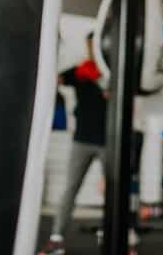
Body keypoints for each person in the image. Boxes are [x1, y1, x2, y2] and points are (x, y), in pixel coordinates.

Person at [38, 32, 113, 255]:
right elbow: (56, 79)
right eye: (89, 44)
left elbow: (120, 96)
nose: (92, 48)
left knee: (114, 191)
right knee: (70, 188)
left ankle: (119, 238)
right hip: (82, 139)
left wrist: (103, 83)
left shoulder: (112, 71)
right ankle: (56, 239)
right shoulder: (80, 71)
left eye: (95, 44)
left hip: (109, 141)